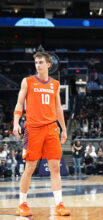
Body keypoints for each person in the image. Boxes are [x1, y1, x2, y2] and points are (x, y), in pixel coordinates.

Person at [12, 51, 71, 217]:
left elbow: (58, 108)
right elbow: (19, 103)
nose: (37, 65)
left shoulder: (55, 84)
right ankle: (22, 204)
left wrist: (64, 129)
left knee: (55, 168)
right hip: (33, 129)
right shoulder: (28, 82)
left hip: (51, 129)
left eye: (40, 62)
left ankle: (59, 204)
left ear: (49, 64)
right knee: (29, 167)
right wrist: (16, 123)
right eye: (36, 62)